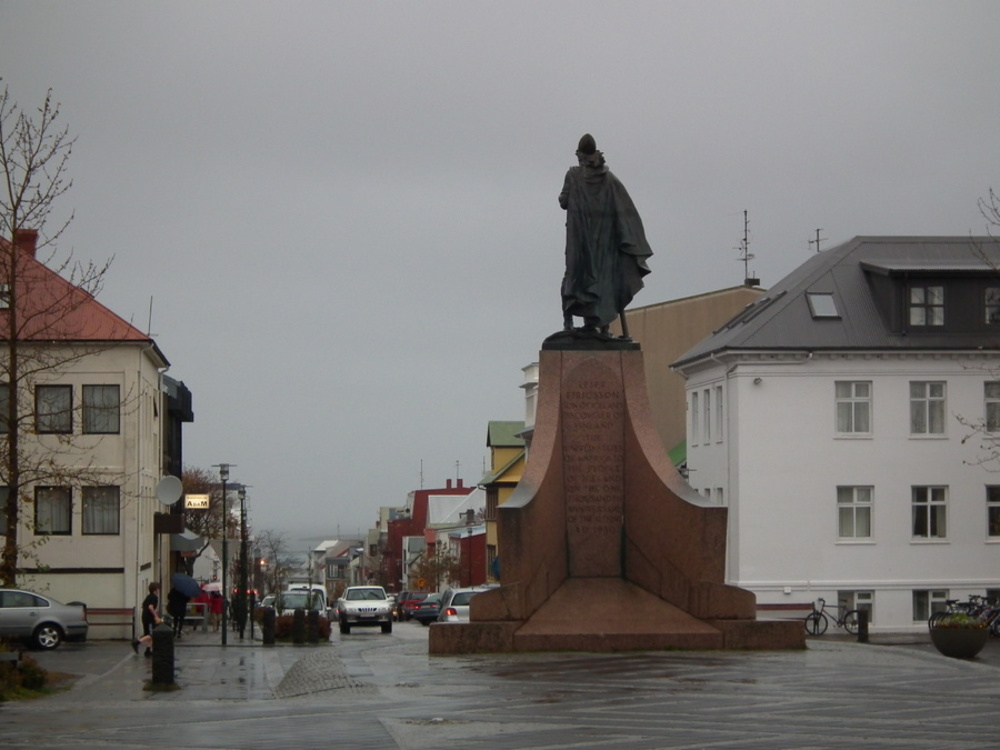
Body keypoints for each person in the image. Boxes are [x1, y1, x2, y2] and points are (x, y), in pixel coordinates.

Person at [559, 133, 652, 334]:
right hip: (604, 241)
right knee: (603, 280)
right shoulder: (609, 179)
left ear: (580, 155)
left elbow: (563, 202)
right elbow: (625, 210)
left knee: (573, 276)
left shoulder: (573, 175)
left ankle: (569, 322)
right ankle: (601, 326)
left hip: (580, 239)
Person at [132, 581, 161, 657]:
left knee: (148, 634)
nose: (159, 590)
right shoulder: (154, 597)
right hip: (149, 619)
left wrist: (153, 610)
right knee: (152, 634)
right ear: (155, 589)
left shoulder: (148, 596)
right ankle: (137, 642)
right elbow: (150, 607)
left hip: (144, 617)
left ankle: (148, 650)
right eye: (158, 589)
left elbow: (143, 605)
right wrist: (155, 615)